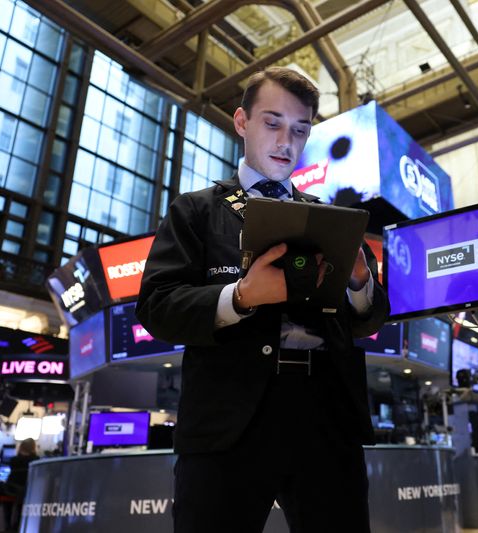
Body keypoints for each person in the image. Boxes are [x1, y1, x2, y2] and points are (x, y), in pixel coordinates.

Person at [136, 66, 389, 533]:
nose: (285, 142)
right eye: (272, 123)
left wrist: (358, 282)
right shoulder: (197, 210)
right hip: (228, 423)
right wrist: (240, 296)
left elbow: (367, 319)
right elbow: (157, 306)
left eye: (300, 129)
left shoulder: (332, 220)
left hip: (326, 420)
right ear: (241, 122)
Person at [1, 438, 38, 529]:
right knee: (22, 501)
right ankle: (18, 524)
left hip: (11, 489)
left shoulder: (13, 460)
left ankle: (7, 523)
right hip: (26, 491)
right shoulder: (36, 460)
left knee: (7, 497)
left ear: (21, 447)